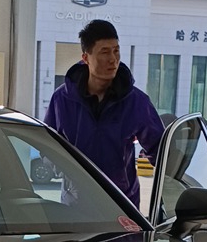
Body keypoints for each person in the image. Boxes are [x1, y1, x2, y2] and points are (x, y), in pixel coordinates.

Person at [45, 19, 165, 208]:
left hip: (122, 205)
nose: (113, 59)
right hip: (75, 205)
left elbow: (161, 151)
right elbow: (48, 146)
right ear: (86, 58)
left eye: (116, 51)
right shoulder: (62, 100)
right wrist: (66, 172)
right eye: (104, 52)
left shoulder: (136, 101)